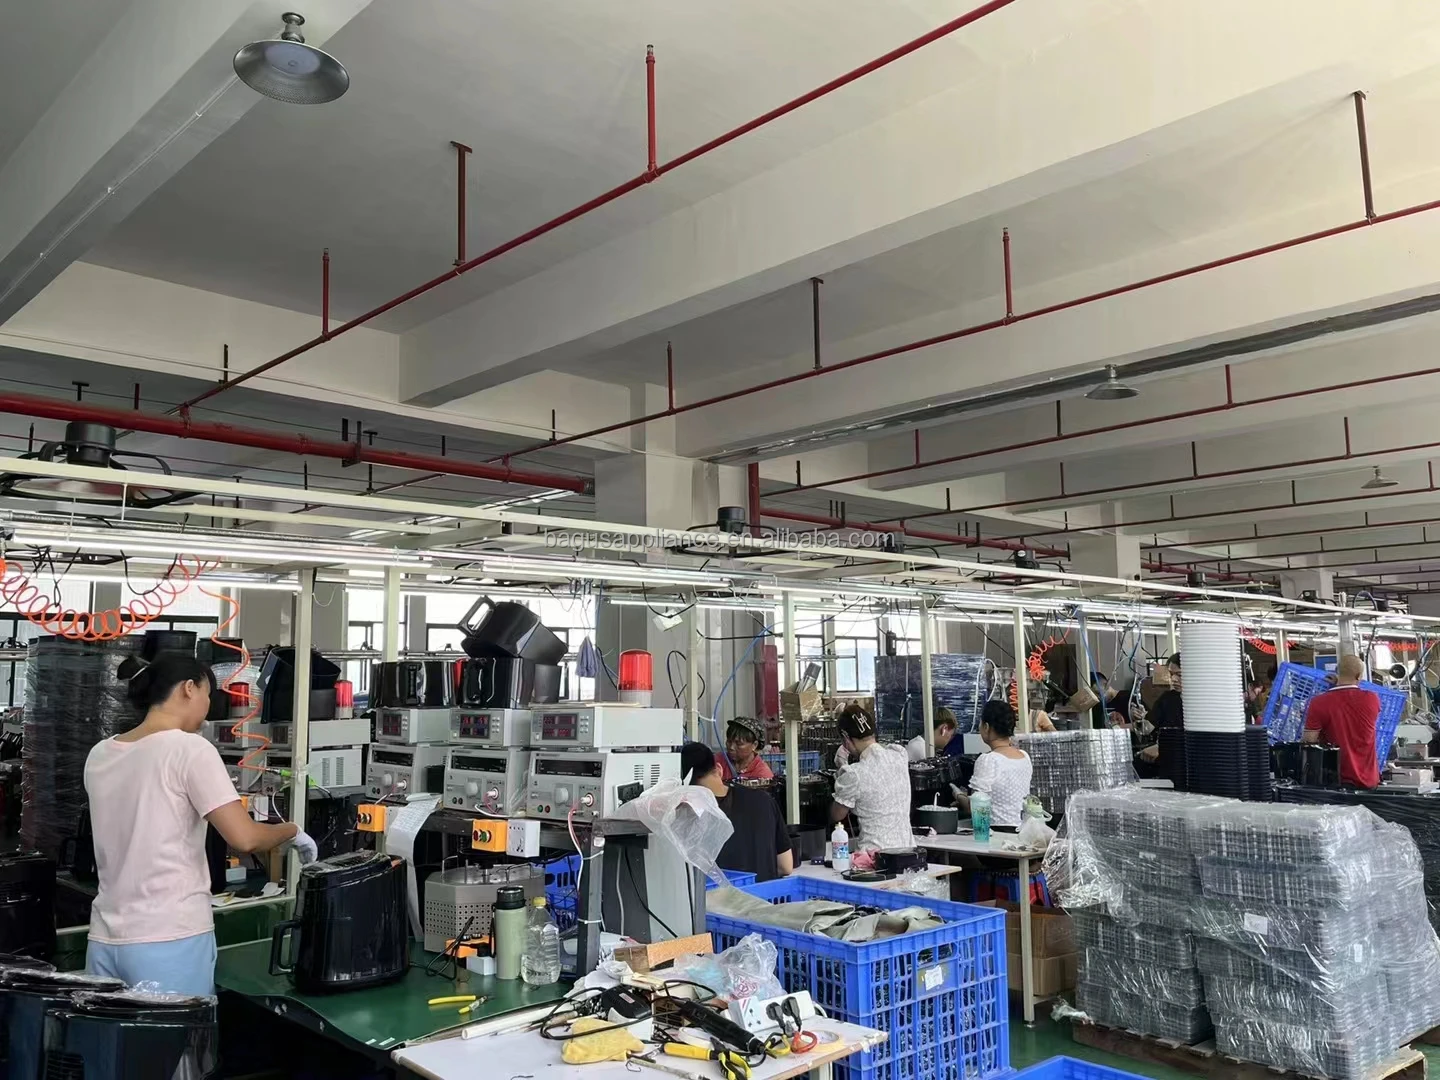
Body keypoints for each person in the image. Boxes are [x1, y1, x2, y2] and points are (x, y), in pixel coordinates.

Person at [85, 653, 317, 995]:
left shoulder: (101, 753)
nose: (209, 708)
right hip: (169, 938)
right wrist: (292, 831)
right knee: (180, 1033)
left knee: (111, 1031)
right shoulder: (190, 749)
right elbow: (245, 838)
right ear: (189, 689)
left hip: (104, 939)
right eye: (208, 695)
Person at [681, 742, 792, 882]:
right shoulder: (764, 800)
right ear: (719, 769)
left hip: (718, 896)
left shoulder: (688, 817)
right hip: (765, 894)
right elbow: (786, 866)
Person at [830, 703, 914, 851]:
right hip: (908, 851)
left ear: (846, 738)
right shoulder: (899, 755)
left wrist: (840, 782)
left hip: (875, 855)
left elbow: (837, 815)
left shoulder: (854, 774)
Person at [1304, 654, 1381, 789]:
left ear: (1337, 672)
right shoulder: (1372, 699)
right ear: (1359, 676)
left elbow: (1309, 741)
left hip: (1338, 780)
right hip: (1370, 780)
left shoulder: (1319, 703)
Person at [951, 701, 1033, 828]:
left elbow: (975, 809)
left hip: (997, 832)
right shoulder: (1024, 756)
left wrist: (958, 795)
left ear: (986, 727)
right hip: (1023, 829)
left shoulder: (989, 760)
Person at [1139, 653, 1184, 766]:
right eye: (1171, 674)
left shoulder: (1204, 705)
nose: (1173, 679)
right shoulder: (1167, 699)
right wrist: (1137, 720)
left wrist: (1162, 747)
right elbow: (1148, 726)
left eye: (1179, 674)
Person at [717, 716, 774, 782]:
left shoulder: (762, 775)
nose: (731, 747)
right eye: (729, 741)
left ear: (754, 745)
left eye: (739, 744)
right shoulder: (718, 761)